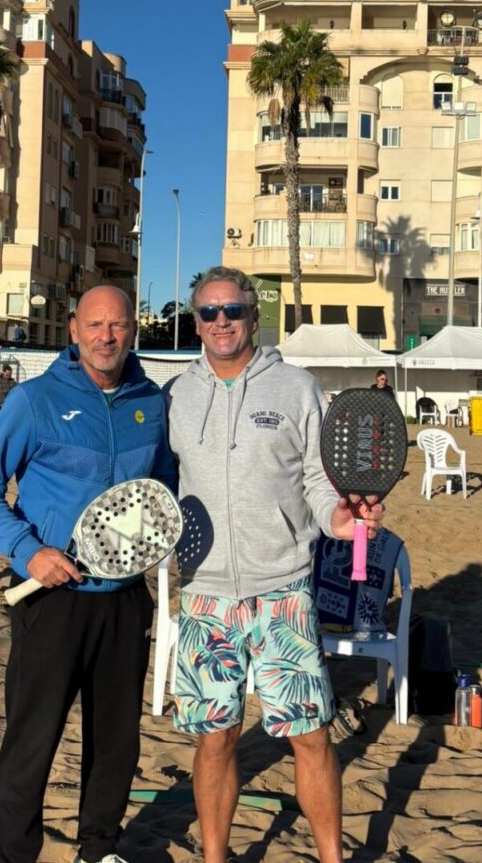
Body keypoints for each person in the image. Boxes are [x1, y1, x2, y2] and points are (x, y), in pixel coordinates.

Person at [164, 266, 383, 863]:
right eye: (208, 312)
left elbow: (317, 476)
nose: (220, 322)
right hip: (206, 593)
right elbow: (161, 484)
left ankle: (332, 858)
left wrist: (338, 520)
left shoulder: (296, 387)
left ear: (253, 316)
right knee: (216, 738)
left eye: (232, 310)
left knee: (310, 738)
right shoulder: (176, 394)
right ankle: (215, 857)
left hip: (283, 589)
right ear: (196, 321)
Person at [0, 286, 176, 863]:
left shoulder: (151, 402)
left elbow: (164, 489)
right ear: (74, 327)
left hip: (126, 599)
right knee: (33, 740)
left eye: (119, 326)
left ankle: (99, 848)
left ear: (133, 330)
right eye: (96, 325)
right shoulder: (34, 400)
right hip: (50, 598)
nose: (107, 337)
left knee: (116, 741)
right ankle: (14, 853)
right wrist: (27, 550)